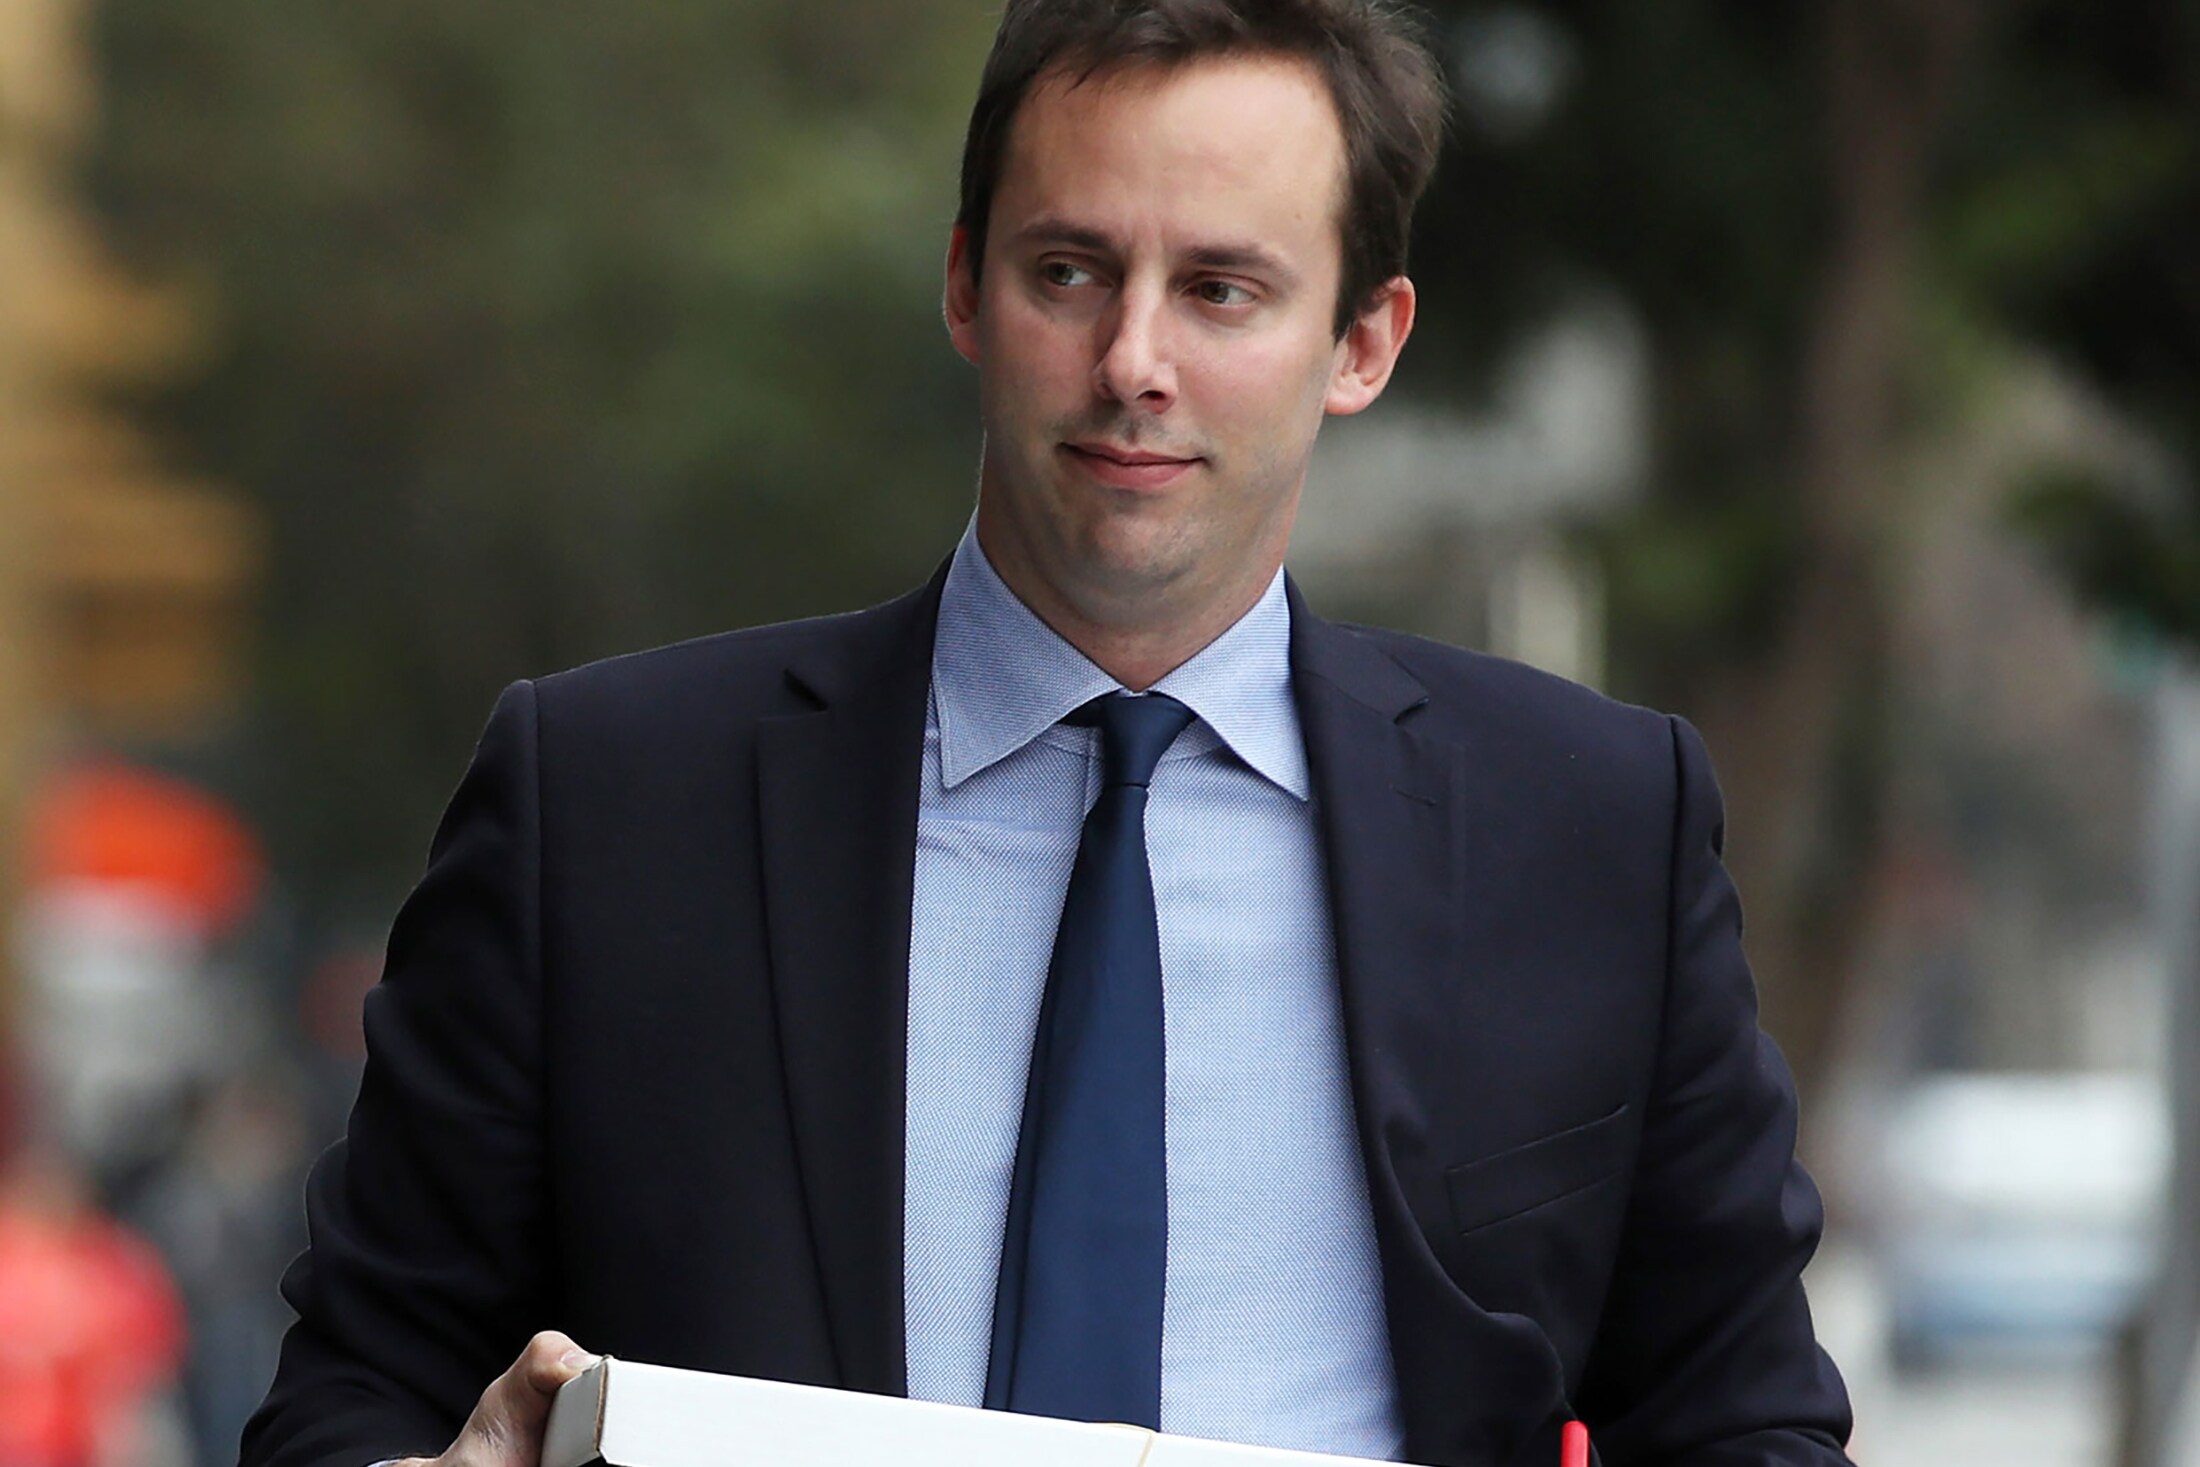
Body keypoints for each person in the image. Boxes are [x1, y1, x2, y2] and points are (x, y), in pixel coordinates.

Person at [243, 4, 1855, 1467]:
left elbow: (1745, 1418)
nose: (1133, 363)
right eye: (1069, 272)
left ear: (1363, 342)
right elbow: (349, 1391)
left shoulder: (1589, 827)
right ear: (965, 282)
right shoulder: (604, 806)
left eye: (1221, 289)